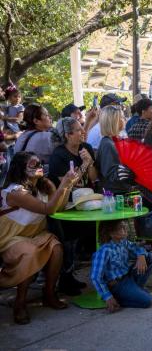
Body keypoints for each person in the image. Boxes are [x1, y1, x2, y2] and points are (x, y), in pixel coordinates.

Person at [0, 152, 79, 324]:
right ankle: (20, 302)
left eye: (40, 163)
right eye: (34, 164)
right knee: (29, 253)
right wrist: (63, 185)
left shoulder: (44, 184)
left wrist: (68, 185)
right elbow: (48, 210)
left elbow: (59, 206)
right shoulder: (15, 192)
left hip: (35, 234)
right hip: (11, 238)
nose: (40, 167)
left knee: (56, 247)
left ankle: (49, 293)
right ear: (21, 168)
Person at [97, 106, 152, 238]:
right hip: (118, 199)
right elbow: (112, 175)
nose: (124, 119)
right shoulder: (107, 144)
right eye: (121, 117)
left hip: (126, 195)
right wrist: (133, 172)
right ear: (113, 120)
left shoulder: (115, 141)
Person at [48, 117, 98, 294]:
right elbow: (70, 184)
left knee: (80, 241)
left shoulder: (87, 148)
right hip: (66, 205)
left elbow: (93, 178)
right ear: (68, 135)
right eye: (78, 130)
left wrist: (89, 163)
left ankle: (71, 277)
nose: (83, 131)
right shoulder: (59, 155)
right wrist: (84, 164)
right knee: (68, 242)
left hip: (86, 202)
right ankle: (65, 280)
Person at [90, 220, 152, 312]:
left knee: (151, 257)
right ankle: (117, 299)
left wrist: (141, 255)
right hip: (118, 284)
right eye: (121, 228)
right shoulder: (104, 250)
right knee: (148, 301)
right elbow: (95, 277)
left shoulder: (123, 242)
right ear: (111, 233)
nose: (125, 230)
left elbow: (136, 248)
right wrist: (108, 297)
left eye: (125, 227)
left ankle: (136, 290)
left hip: (128, 276)